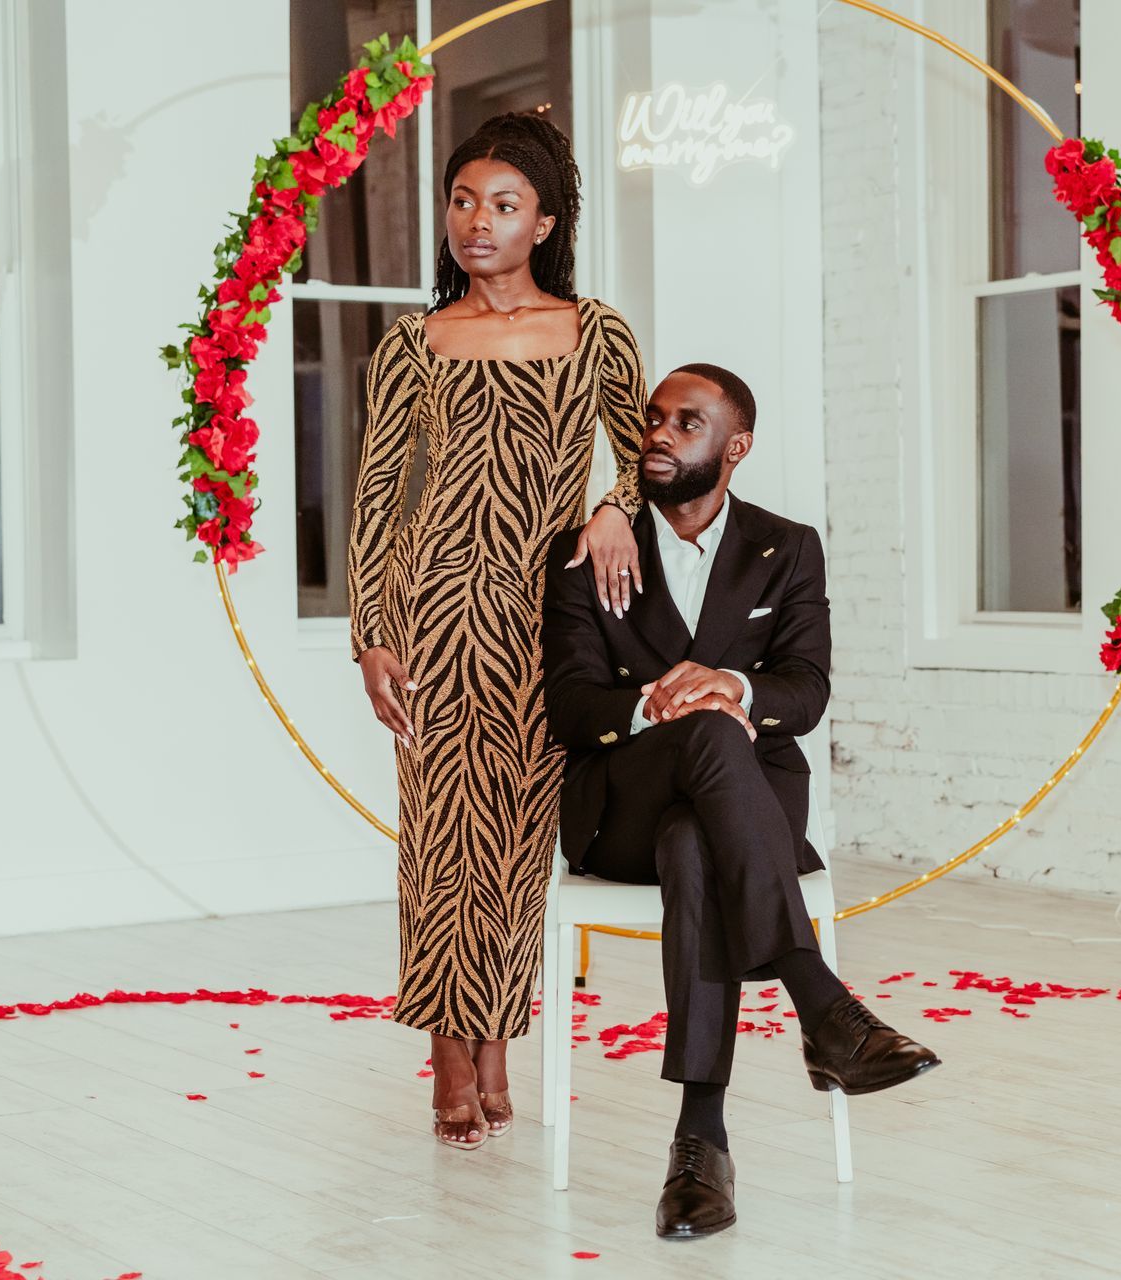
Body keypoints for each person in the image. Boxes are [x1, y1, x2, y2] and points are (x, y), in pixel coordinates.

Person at [541, 364, 942, 1239]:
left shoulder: (786, 545)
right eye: (654, 418)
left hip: (740, 808)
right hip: (622, 806)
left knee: (699, 841)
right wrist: (658, 702)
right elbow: (570, 708)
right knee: (711, 739)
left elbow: (806, 689)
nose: (659, 433)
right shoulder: (589, 553)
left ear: (737, 446)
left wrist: (728, 683)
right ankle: (821, 1003)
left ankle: (699, 1145)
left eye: (688, 424)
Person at [347, 112, 649, 1152]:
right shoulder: (413, 344)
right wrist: (370, 633)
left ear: (545, 222)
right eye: (463, 200)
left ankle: (497, 1044)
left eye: (504, 205)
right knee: (439, 839)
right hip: (435, 611)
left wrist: (613, 505)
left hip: (550, 621)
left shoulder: (596, 331)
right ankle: (445, 1050)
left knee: (518, 840)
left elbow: (641, 455)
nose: (477, 222)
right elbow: (381, 493)